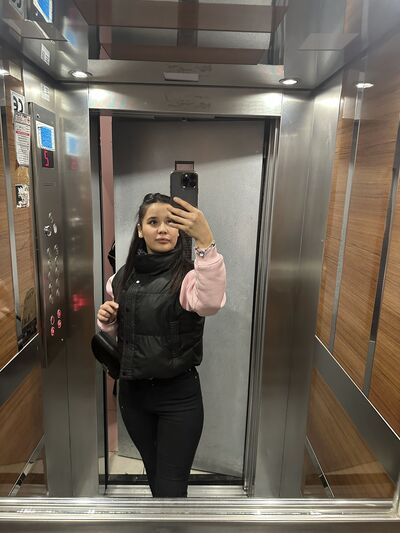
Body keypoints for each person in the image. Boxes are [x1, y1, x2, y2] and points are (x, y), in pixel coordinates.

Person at [97, 193, 226, 497]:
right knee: (156, 477)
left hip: (178, 398)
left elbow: (210, 303)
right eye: (153, 222)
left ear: (180, 230)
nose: (162, 229)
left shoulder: (190, 277)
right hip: (134, 397)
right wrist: (108, 321)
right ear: (140, 230)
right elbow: (124, 334)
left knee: (171, 488)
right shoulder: (121, 277)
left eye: (170, 222)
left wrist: (206, 242)